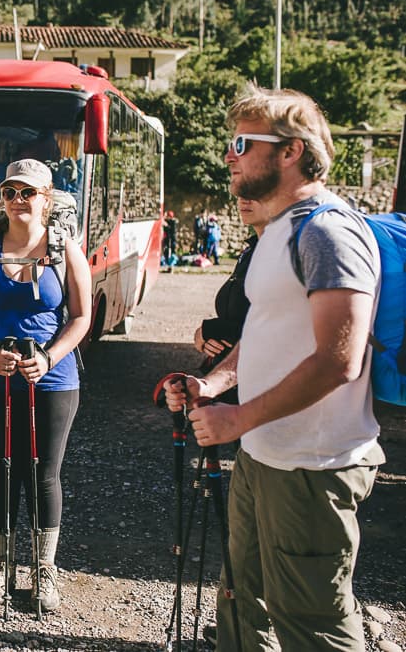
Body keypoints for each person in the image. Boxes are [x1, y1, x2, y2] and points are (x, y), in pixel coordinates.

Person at [164, 83, 384, 651]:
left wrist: (238, 420)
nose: (228, 156)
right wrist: (211, 384)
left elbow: (340, 360)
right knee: (242, 602)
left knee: (313, 624)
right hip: (265, 457)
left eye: (241, 143)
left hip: (314, 467)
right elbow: (263, 335)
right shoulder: (276, 233)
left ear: (291, 151)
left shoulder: (329, 233)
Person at [0, 158, 91, 612]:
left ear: (47, 198)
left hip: (53, 379)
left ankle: (45, 569)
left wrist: (49, 357)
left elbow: (81, 316)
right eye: (10, 192)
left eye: (27, 193)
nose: (17, 201)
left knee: (42, 473)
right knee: (0, 470)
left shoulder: (67, 250)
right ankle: (0, 564)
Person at [193, 198, 266, 379]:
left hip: (258, 386)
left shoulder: (284, 254)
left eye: (255, 192)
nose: (243, 199)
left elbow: (276, 331)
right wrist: (205, 337)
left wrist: (210, 329)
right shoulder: (251, 250)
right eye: (241, 193)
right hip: (229, 380)